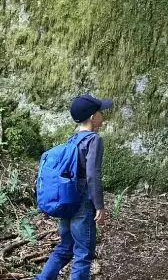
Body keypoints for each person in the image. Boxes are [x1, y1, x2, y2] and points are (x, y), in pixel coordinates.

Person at [35, 94, 112, 280]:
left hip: (67, 198)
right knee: (84, 252)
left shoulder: (72, 139)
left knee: (66, 246)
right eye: (101, 112)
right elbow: (93, 174)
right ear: (93, 117)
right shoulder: (94, 140)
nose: (103, 115)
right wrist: (99, 205)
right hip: (83, 202)